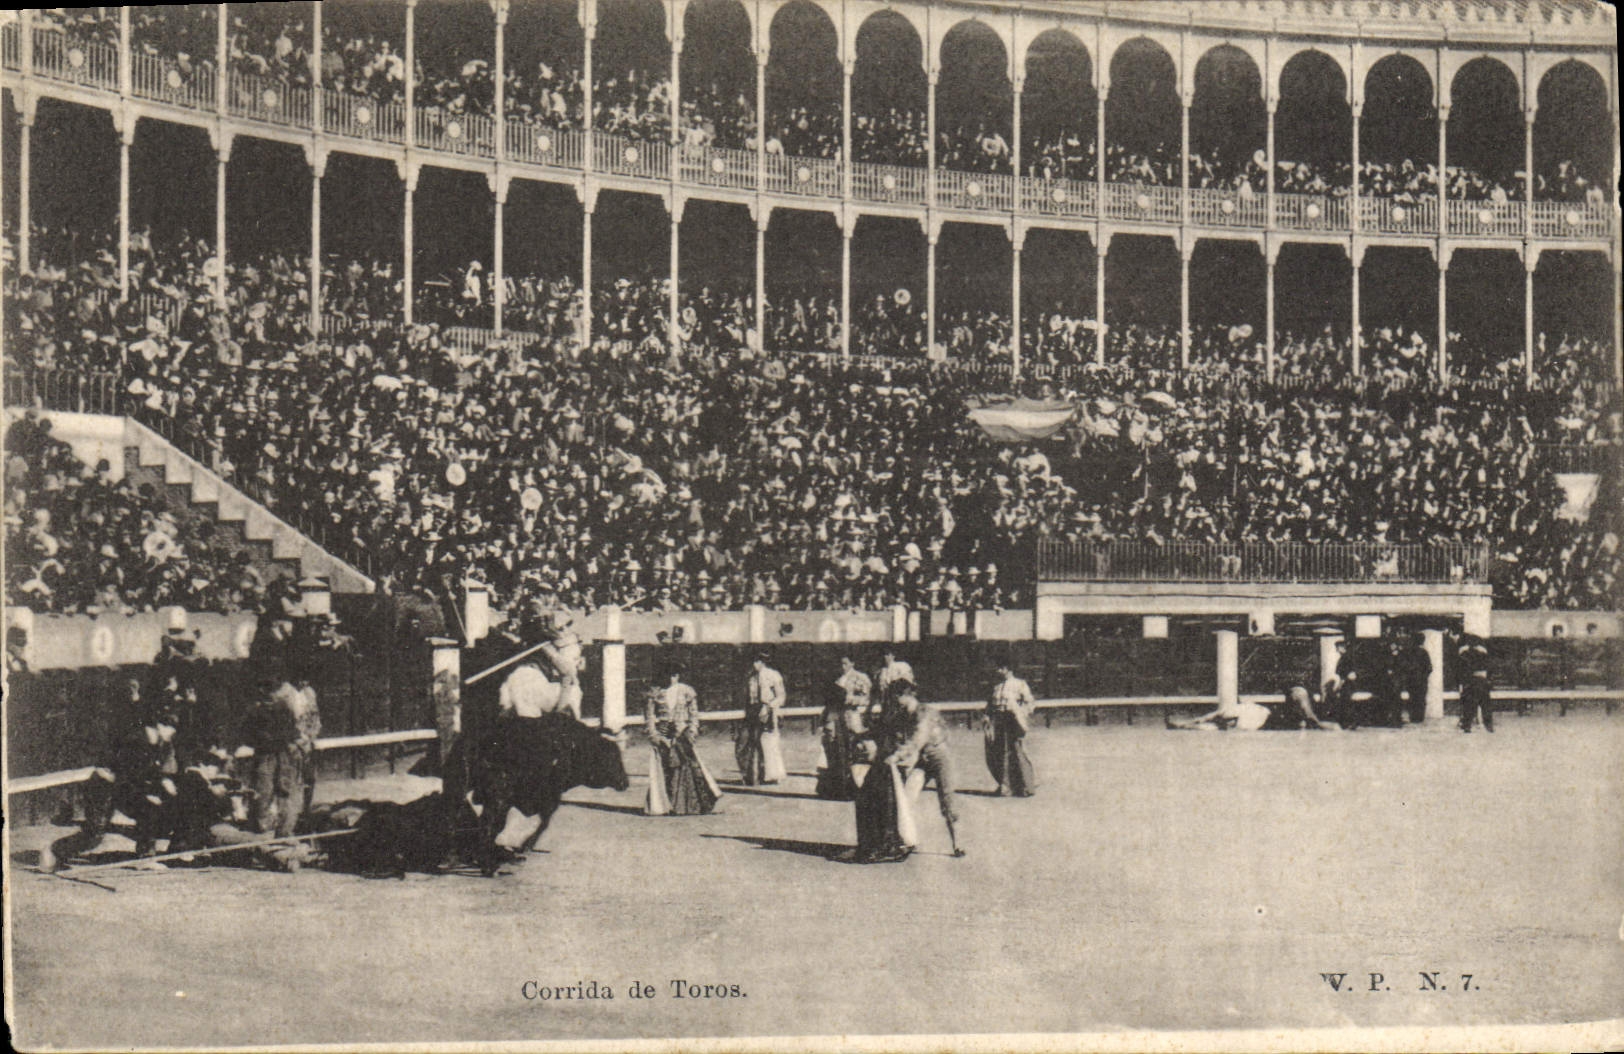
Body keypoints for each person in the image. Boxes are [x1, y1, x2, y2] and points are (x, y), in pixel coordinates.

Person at [41, 695, 179, 871]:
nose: (173, 732)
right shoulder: (135, 740)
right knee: (95, 834)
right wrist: (149, 792)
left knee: (149, 812)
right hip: (103, 788)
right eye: (170, 727)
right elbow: (126, 774)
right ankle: (54, 850)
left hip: (124, 787)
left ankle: (145, 857)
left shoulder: (160, 745)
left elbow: (148, 774)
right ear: (159, 725)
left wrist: (160, 784)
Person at [837, 678, 917, 864]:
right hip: (886, 761)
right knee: (880, 801)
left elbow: (890, 736)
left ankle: (880, 845)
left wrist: (861, 733)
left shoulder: (900, 713)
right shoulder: (897, 711)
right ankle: (882, 844)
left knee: (879, 802)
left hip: (888, 762)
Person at [888, 678, 964, 856]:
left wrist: (897, 756)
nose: (895, 700)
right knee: (906, 797)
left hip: (939, 756)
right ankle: (908, 839)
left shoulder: (924, 713)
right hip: (922, 759)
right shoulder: (903, 714)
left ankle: (958, 844)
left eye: (897, 696)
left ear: (906, 695)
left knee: (947, 799)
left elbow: (917, 740)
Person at [645, 667, 720, 816]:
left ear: (678, 676)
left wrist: (692, 731)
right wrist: (654, 736)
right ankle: (666, 805)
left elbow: (694, 714)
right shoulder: (655, 692)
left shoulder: (687, 691)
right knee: (665, 769)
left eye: (674, 675)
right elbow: (649, 717)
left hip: (682, 733)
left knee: (687, 769)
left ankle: (688, 806)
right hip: (664, 735)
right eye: (669, 674)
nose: (671, 678)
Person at [817, 657, 868, 800]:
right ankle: (837, 788)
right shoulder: (837, 678)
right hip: (835, 717)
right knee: (834, 752)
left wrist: (849, 699)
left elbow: (866, 699)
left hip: (851, 717)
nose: (843, 666)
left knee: (851, 752)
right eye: (841, 663)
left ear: (853, 663)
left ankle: (851, 786)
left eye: (845, 663)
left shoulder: (860, 678)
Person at [984, 662, 1037, 796]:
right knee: (1000, 752)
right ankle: (1005, 786)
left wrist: (1020, 714)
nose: (998, 670)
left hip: (1013, 721)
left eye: (1001, 667)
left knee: (1017, 751)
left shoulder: (1020, 684)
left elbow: (1030, 703)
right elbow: (990, 705)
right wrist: (987, 717)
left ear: (1009, 669)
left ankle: (1025, 786)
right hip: (999, 722)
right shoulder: (996, 686)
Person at [736, 653, 787, 785]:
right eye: (753, 661)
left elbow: (781, 697)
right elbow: (747, 698)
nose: (755, 664)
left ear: (763, 662)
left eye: (758, 661)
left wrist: (769, 707)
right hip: (751, 713)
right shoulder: (750, 677)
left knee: (765, 744)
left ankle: (764, 775)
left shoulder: (773, 675)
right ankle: (748, 775)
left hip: (766, 712)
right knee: (744, 743)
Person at [1457, 633, 1494, 733]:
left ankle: (1467, 725)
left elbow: (1461, 669)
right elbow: (1489, 668)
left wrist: (1462, 682)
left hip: (1470, 681)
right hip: (1482, 680)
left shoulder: (1464, 654)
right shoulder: (1483, 654)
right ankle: (1489, 725)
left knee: (1469, 705)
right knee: (1485, 704)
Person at [1394, 632, 1433, 725]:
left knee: (1412, 698)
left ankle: (1413, 716)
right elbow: (1429, 667)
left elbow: (1400, 664)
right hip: (1421, 679)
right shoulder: (1423, 652)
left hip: (1409, 679)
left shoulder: (1406, 651)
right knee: (1420, 698)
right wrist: (1424, 675)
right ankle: (1418, 717)